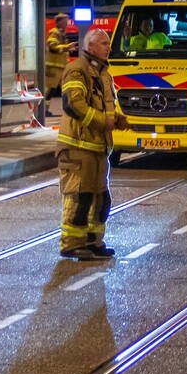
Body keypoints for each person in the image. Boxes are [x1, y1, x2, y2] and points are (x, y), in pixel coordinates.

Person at [57, 28, 130, 260]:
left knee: (100, 199)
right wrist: (104, 122)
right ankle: (71, 243)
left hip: (98, 147)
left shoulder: (105, 74)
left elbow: (107, 105)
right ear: (90, 47)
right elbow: (73, 105)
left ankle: (93, 241)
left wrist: (117, 118)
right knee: (80, 196)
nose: (108, 47)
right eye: (103, 43)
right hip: (78, 145)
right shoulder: (76, 70)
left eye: (108, 43)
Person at [45, 13, 77, 116]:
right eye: (65, 21)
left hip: (60, 67)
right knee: (50, 90)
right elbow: (52, 47)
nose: (67, 23)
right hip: (53, 67)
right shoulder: (54, 33)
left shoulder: (61, 33)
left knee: (66, 89)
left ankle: (69, 109)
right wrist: (67, 47)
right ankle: (44, 110)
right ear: (59, 22)